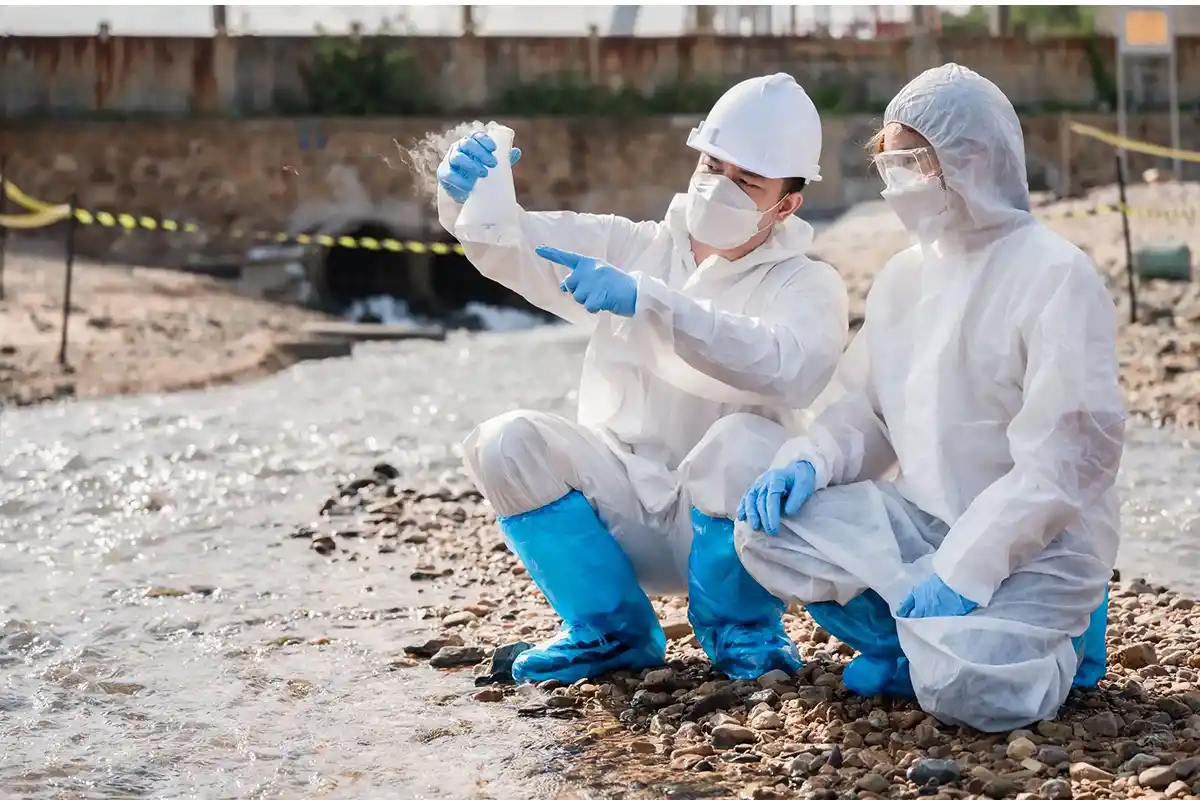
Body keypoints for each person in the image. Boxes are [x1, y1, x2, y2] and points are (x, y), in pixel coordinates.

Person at [697, 64, 1125, 732]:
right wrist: (810, 461)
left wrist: (966, 569)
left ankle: (1063, 640)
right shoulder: (904, 276)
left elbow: (1069, 460)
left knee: (968, 690)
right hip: (928, 518)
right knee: (768, 531)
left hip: (1041, 546)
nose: (896, 179)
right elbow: (866, 410)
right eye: (887, 161)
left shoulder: (1054, 273)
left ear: (975, 157)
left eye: (913, 161)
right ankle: (909, 641)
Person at [434, 73, 849, 684]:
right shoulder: (633, 248)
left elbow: (788, 369)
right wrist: (470, 197)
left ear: (786, 204)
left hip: (733, 535)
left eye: (747, 181)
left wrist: (651, 303)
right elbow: (517, 244)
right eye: (713, 165)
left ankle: (744, 633)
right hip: (620, 509)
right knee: (507, 440)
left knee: (746, 443)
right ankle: (609, 633)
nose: (719, 188)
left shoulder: (806, 285)